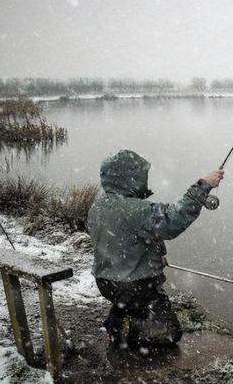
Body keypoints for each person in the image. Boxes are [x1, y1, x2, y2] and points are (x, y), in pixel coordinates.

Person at [87, 149, 224, 349]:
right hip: (135, 287)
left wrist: (152, 257)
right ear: (129, 178)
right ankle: (128, 331)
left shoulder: (99, 205)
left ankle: (120, 316)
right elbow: (173, 220)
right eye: (141, 175)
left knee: (128, 302)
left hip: (106, 283)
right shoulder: (135, 209)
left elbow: (122, 241)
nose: (145, 180)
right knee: (169, 333)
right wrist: (202, 186)